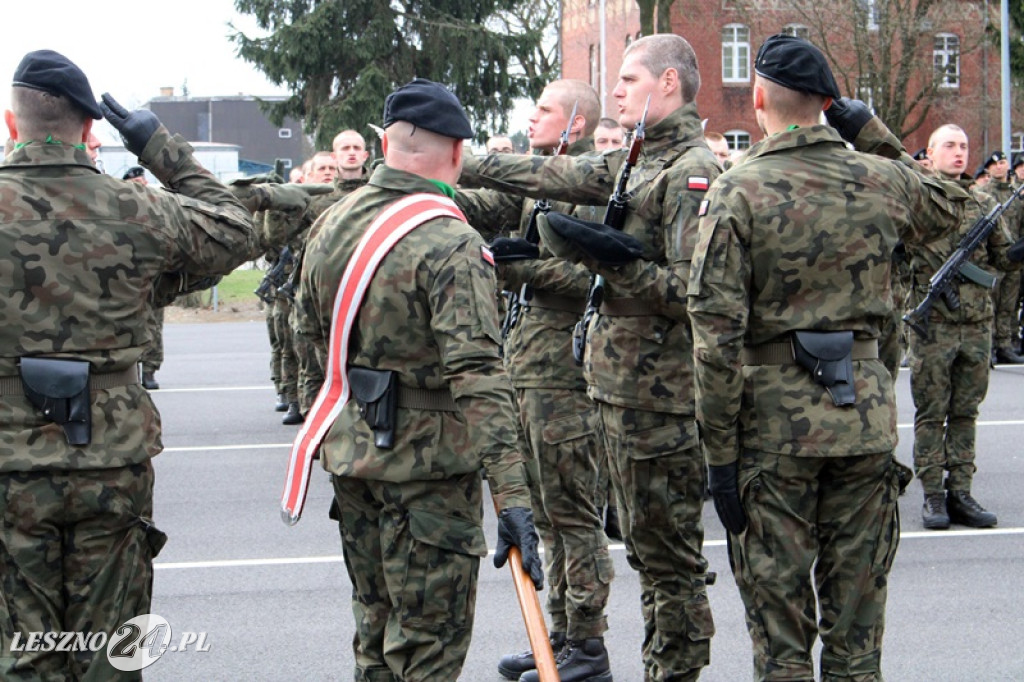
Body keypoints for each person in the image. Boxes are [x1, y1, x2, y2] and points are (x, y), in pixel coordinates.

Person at [687, 34, 982, 681]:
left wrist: (720, 459)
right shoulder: (884, 181)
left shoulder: (738, 191)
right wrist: (872, 134)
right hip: (864, 428)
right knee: (856, 647)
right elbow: (967, 214)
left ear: (758, 96)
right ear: (828, 104)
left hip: (774, 437)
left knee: (783, 648)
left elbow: (714, 339)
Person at [462, 33, 720, 680]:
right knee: (644, 552)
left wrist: (609, 266)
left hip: (659, 395)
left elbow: (696, 296)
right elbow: (551, 173)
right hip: (615, 385)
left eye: (629, 79)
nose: (617, 92)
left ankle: (668, 671)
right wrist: (457, 160)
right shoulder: (635, 158)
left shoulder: (691, 169)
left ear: (668, 82)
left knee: (669, 563)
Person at [0, 49, 258, 680]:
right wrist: (157, 148)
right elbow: (235, 227)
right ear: (90, 131)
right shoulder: (139, 208)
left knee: (21, 653)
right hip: (109, 457)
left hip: (7, 463)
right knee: (110, 654)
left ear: (12, 125)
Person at [293, 78, 541, 682]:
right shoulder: (451, 241)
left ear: (383, 143)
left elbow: (306, 341)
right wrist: (513, 498)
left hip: (354, 462)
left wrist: (337, 432)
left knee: (374, 639)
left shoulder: (333, 221)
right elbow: (479, 376)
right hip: (428, 478)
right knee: (427, 652)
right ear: (458, 154)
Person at [458, 77, 615, 682]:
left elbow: (600, 282)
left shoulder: (591, 188)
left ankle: (589, 644)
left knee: (573, 516)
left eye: (545, 109)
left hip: (565, 376)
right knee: (544, 515)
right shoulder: (539, 186)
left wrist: (532, 272)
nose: (532, 117)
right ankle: (560, 633)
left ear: (575, 122)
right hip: (527, 367)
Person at [908, 124, 1024, 530]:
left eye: (964, 146)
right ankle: (933, 497)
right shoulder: (919, 200)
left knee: (964, 413)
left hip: (975, 324)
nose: (958, 153)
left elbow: (1003, 261)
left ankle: (960, 491)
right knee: (930, 413)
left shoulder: (979, 205)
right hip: (933, 326)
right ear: (933, 152)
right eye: (950, 146)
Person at [122, 166, 166, 390]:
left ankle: (149, 370)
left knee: (154, 324)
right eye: (138, 183)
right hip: (127, 275)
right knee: (128, 323)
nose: (144, 186)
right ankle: (132, 370)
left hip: (151, 273)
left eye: (144, 182)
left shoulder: (155, 206)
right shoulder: (121, 208)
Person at [980, 150, 1024, 364]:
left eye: (1003, 162)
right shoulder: (983, 194)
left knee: (1009, 305)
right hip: (991, 260)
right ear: (988, 169)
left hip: (1013, 258)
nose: (999, 167)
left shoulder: (1016, 195)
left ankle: (1004, 344)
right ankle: (988, 346)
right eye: (994, 164)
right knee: (990, 304)